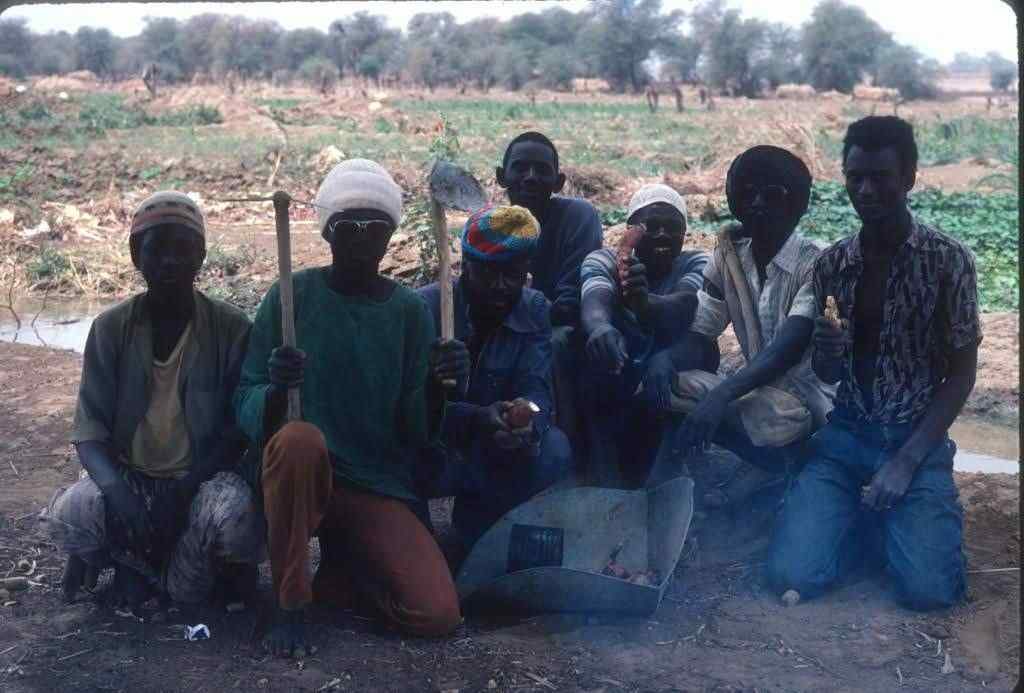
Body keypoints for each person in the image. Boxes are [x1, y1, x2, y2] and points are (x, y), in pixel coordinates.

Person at [234, 159, 463, 657]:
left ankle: (346, 573)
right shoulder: (292, 298)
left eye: (374, 228)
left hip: (373, 482)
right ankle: (289, 602)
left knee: (436, 613)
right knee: (299, 439)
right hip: (300, 479)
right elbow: (244, 397)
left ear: (390, 237)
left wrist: (439, 386)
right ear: (328, 233)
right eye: (348, 227)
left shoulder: (408, 313)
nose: (361, 239)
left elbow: (415, 431)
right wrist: (275, 390)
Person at [768, 116, 980, 610]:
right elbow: (827, 376)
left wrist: (906, 463)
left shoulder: (948, 261)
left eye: (880, 177)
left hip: (915, 441)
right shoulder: (833, 265)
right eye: (854, 177)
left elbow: (963, 375)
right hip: (846, 438)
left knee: (930, 591)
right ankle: (871, 520)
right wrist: (826, 352)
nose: (865, 190)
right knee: (790, 573)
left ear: (909, 178)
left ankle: (903, 515)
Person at [40, 191, 261, 614]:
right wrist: (119, 493)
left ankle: (178, 575)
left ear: (201, 256)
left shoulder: (231, 328)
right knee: (74, 512)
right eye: (156, 247)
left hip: (201, 480)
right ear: (134, 255)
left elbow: (235, 434)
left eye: (183, 248)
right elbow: (89, 434)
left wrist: (184, 490)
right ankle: (129, 567)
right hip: (133, 477)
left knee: (234, 518)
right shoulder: (110, 328)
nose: (170, 261)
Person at [649, 147, 834, 504]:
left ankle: (783, 468)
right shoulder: (729, 253)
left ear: (797, 203)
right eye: (747, 193)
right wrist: (666, 360)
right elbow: (701, 333)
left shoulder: (818, 262)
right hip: (754, 391)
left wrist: (720, 395)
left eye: (773, 195)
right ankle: (670, 487)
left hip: (809, 403)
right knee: (660, 385)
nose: (757, 203)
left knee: (762, 417)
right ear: (733, 199)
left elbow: (788, 348)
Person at [417, 205, 572, 556]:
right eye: (489, 274)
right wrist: (442, 390)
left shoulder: (533, 308)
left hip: (492, 444)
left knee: (553, 449)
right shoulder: (424, 309)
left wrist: (526, 421)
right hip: (430, 448)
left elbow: (537, 388)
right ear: (465, 267)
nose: (501, 286)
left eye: (513, 275)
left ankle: (477, 526)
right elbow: (401, 409)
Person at [578, 184, 709, 486]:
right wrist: (600, 327)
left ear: (684, 233)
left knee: (701, 348)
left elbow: (685, 306)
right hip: (620, 366)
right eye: (651, 227)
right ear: (631, 231)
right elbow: (594, 299)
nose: (662, 234)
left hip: (668, 365)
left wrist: (644, 302)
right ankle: (597, 459)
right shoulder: (604, 260)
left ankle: (672, 463)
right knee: (583, 346)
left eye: (672, 228)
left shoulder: (697, 262)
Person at [496, 132, 603, 448]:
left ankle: (564, 449)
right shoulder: (493, 226)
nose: (530, 178)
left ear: (558, 181)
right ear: (502, 177)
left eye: (541, 170)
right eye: (520, 168)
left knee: (554, 344)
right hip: (511, 324)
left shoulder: (578, 217)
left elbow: (569, 300)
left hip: (559, 327)